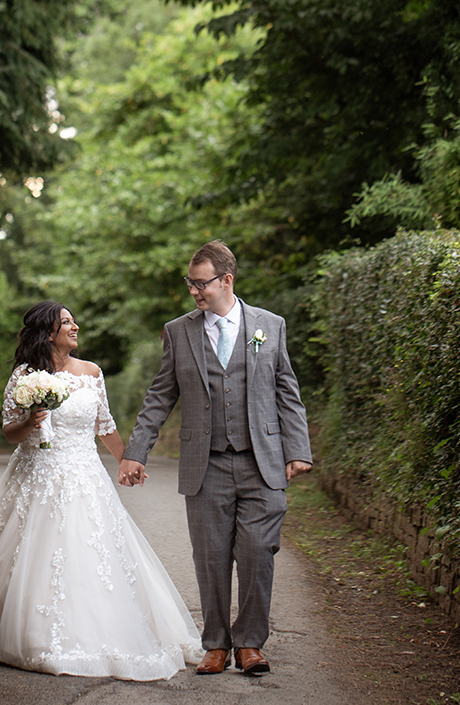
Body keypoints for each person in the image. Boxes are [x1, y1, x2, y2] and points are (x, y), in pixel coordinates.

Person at [0, 301, 203, 679]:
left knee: (93, 551)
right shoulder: (26, 376)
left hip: (84, 474)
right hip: (36, 473)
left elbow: (103, 425)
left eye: (74, 321)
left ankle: (97, 628)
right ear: (48, 333)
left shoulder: (92, 373)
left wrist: (128, 460)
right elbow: (10, 431)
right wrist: (31, 420)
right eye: (66, 322)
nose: (75, 327)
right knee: (24, 553)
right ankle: (22, 630)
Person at [118, 241, 313, 677]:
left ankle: (249, 644)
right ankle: (216, 644)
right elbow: (160, 396)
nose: (194, 292)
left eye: (201, 283)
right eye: (190, 284)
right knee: (210, 557)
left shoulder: (270, 325)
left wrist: (298, 450)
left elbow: (287, 391)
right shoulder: (179, 330)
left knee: (258, 553)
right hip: (205, 466)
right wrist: (136, 452)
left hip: (262, 462)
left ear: (227, 280)